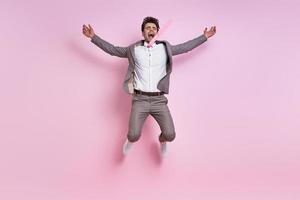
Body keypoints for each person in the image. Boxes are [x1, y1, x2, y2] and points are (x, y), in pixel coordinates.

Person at [82, 16, 216, 157]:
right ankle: (130, 141)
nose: (151, 30)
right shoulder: (133, 49)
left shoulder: (165, 48)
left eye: (153, 28)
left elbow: (185, 47)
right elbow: (113, 50)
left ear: (157, 32)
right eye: (148, 28)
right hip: (140, 99)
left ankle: (162, 141)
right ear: (143, 32)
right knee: (133, 135)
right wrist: (93, 37)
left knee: (170, 134)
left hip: (159, 100)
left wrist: (204, 37)